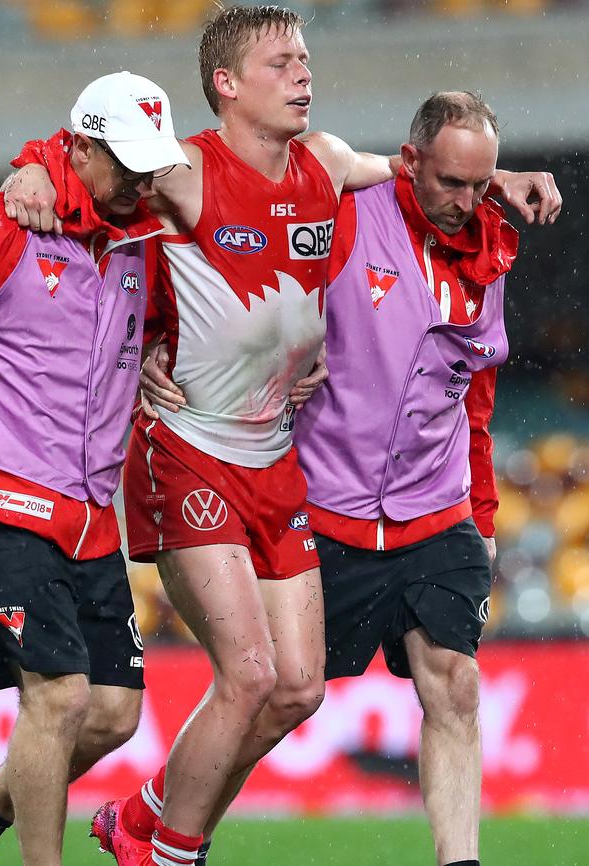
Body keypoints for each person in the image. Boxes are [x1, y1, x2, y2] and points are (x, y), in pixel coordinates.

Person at [3, 8, 561, 866]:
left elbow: (420, 179)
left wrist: (507, 175)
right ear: (227, 84)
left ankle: (131, 819)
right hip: (197, 446)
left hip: (290, 467)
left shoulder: (330, 164)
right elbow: (99, 164)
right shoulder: (187, 169)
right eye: (281, 62)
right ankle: (166, 845)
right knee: (257, 679)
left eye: (305, 57)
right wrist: (36, 169)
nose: (304, 73)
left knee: (298, 690)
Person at [0, 71, 189, 866]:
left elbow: (150, 329)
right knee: (61, 696)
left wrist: (157, 351)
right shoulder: (1, 224)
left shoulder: (138, 243)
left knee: (113, 712)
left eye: (153, 166)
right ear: (78, 148)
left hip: (87, 516)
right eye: (127, 164)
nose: (142, 183)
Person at [290, 91, 533, 866]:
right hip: (329, 510)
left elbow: (478, 402)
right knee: (274, 701)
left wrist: (484, 520)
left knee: (454, 686)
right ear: (409, 160)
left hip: (437, 510)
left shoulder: (491, 256)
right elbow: (266, 181)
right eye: (452, 183)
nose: (466, 203)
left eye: (480, 184)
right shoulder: (350, 211)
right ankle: (167, 826)